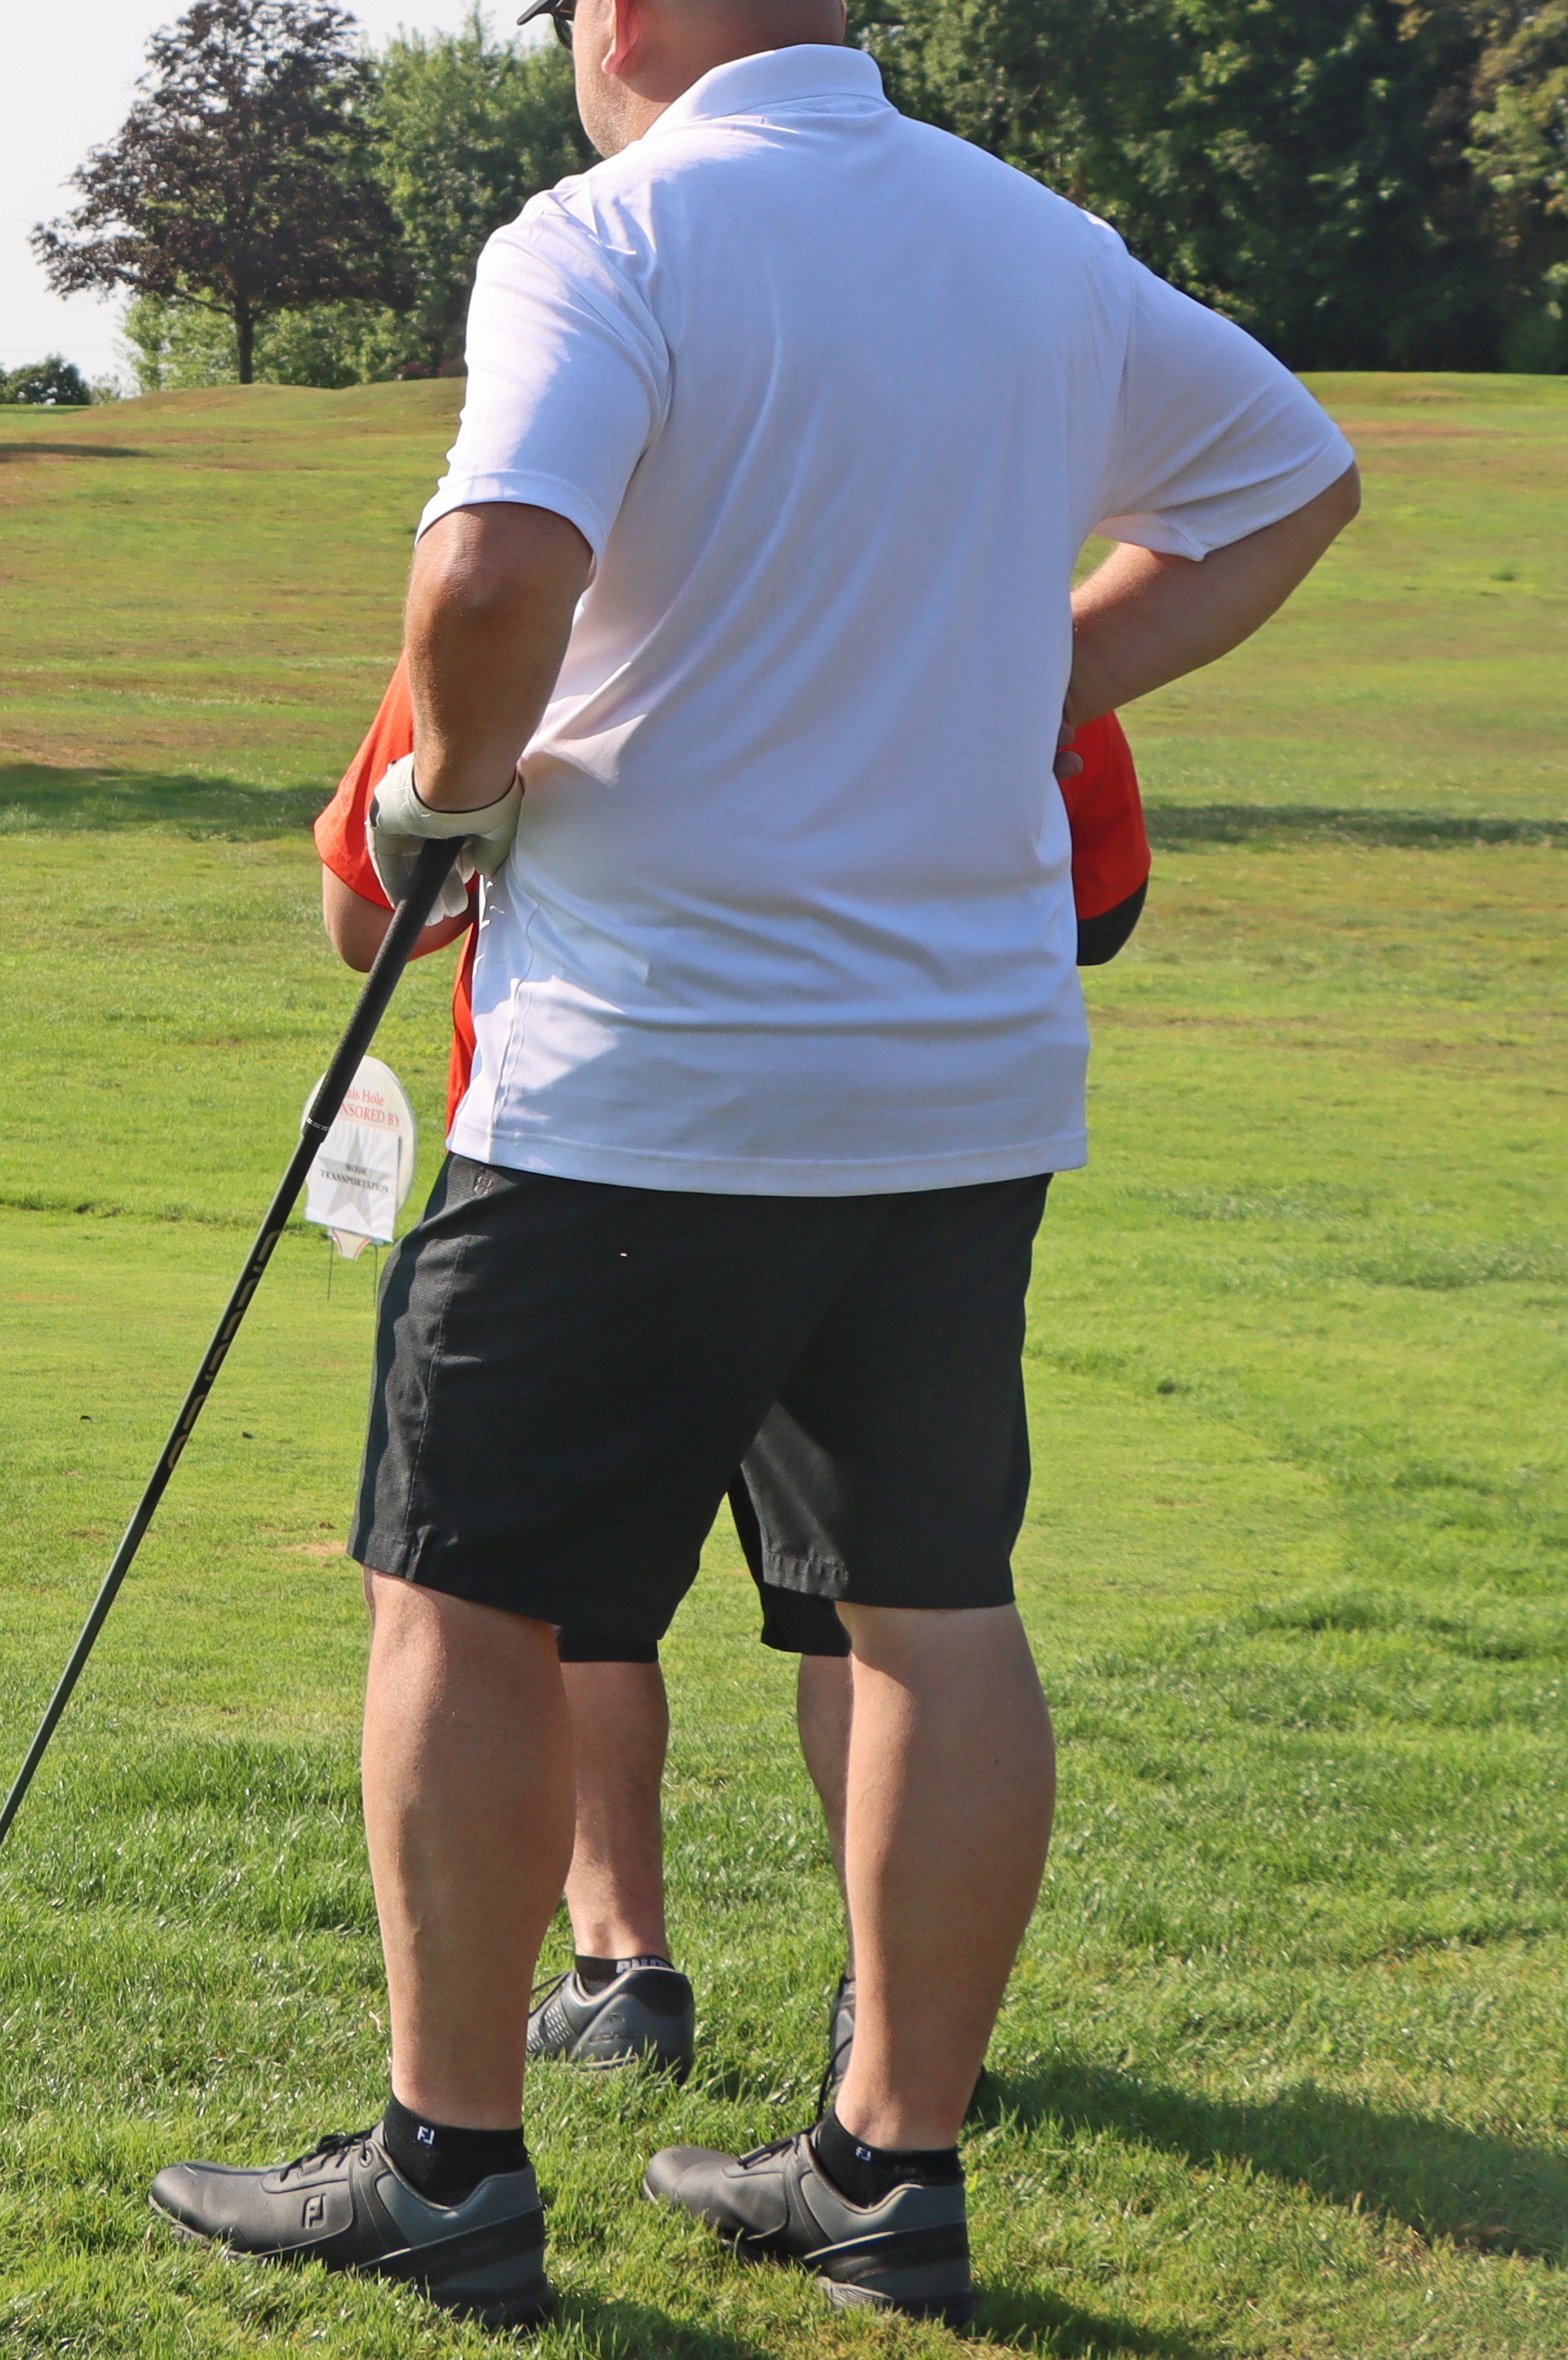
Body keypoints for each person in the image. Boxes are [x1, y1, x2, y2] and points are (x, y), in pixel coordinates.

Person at [150, 0, 1356, 2330]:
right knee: (928, 1609)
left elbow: (489, 577)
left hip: (642, 1084)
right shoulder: (1032, 241)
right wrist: (1042, 684)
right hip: (961, 1082)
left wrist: (440, 796)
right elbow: (1286, 485)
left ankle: (453, 2172)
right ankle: (888, 2173)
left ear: (617, 18)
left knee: (462, 1601)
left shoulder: (606, 240)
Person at [305, 693, 1155, 2095]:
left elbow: (370, 918)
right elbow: (1096, 904)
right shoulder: (991, 586)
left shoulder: (559, 584)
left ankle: (615, 1971)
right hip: (916, 1151)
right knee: (890, 1599)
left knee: (520, 1593)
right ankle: (890, 2041)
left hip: (604, 1133)